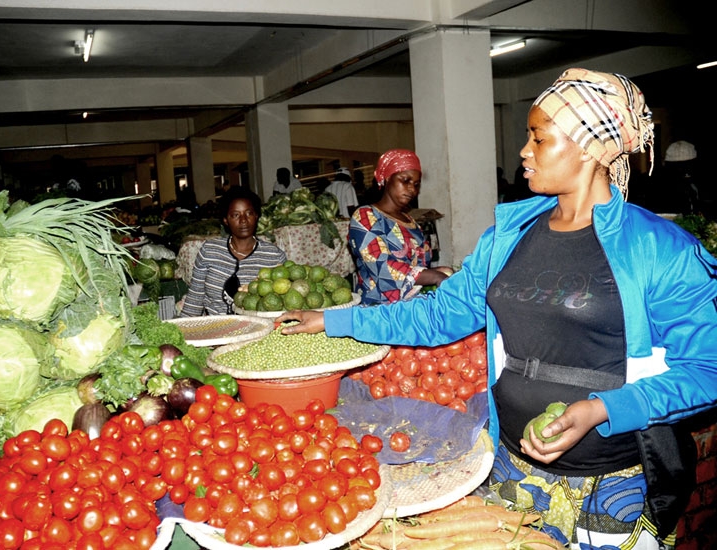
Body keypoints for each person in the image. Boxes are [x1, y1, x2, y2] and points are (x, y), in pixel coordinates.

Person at [277, 69, 717, 549]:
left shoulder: (660, 249)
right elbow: (438, 314)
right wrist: (334, 319)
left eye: (539, 138)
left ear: (592, 148)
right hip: (510, 465)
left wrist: (601, 409)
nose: (524, 152)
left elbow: (707, 370)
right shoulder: (508, 238)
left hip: (611, 481)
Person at [348, 149, 451, 304]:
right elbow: (381, 268)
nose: (412, 189)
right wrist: (434, 276)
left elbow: (416, 266)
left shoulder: (411, 222)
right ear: (387, 177)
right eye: (405, 180)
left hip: (412, 307)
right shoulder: (366, 216)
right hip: (378, 310)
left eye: (416, 184)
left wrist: (441, 271)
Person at [180, 186, 286, 316]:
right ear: (225, 220)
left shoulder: (274, 256)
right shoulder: (209, 251)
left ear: (257, 215)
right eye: (235, 215)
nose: (243, 221)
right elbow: (194, 300)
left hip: (257, 330)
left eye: (249, 213)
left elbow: (283, 305)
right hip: (214, 330)